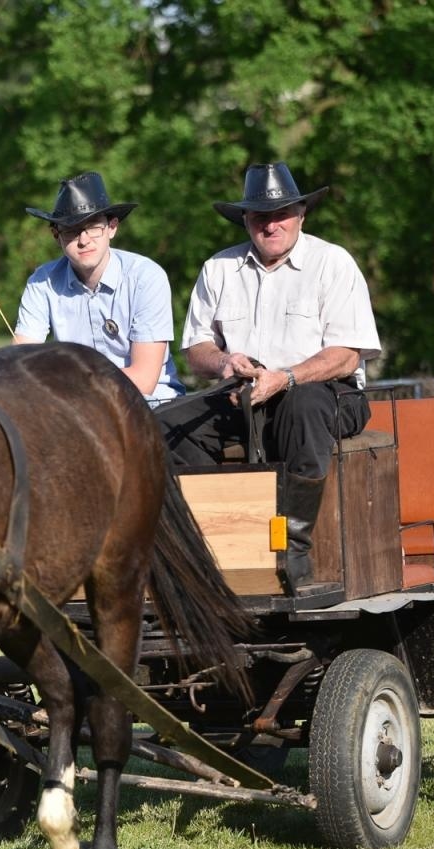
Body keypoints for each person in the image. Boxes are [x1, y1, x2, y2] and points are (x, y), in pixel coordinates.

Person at [155, 162, 381, 594]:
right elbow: (196, 348)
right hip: (241, 393)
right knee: (166, 424)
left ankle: (292, 550)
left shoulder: (333, 262)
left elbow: (346, 355)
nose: (271, 224)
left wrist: (288, 377)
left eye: (281, 214)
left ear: (301, 215)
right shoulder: (218, 268)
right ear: (246, 220)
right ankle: (210, 546)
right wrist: (225, 362)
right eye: (260, 216)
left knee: (302, 405)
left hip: (326, 392)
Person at [13, 172, 184, 405]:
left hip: (150, 405)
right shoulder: (41, 282)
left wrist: (66, 385)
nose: (83, 240)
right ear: (56, 236)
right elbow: (22, 363)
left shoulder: (146, 277)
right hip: (78, 409)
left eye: (93, 227)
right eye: (71, 231)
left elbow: (144, 380)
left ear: (112, 227)